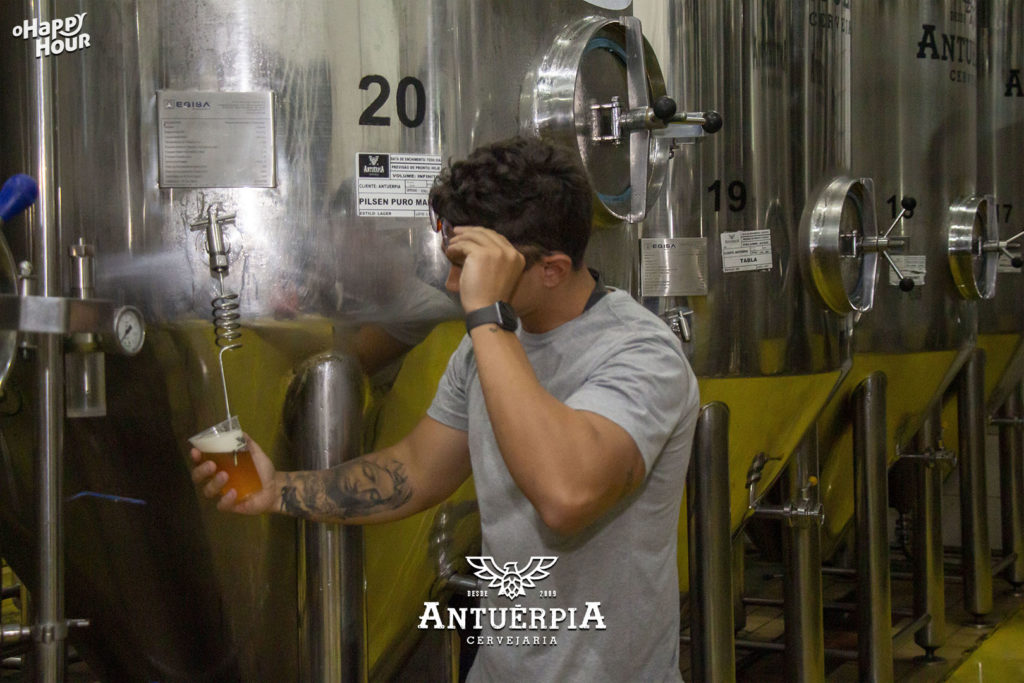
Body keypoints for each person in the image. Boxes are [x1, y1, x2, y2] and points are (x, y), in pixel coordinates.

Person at [192, 136, 699, 682]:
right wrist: (279, 490)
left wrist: (487, 317)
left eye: (469, 267)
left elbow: (567, 495)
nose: (454, 285)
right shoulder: (485, 345)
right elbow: (415, 469)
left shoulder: (641, 355)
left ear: (551, 269)